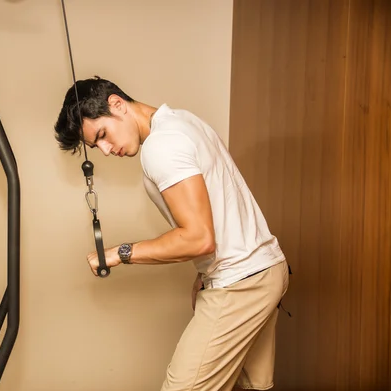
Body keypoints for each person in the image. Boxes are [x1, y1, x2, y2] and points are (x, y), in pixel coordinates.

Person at [53, 76, 290, 391]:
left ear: (117, 104)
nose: (106, 150)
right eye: (97, 146)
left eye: (103, 135)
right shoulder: (183, 121)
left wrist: (121, 253)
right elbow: (219, 209)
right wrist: (205, 273)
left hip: (240, 282)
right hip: (265, 269)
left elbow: (199, 238)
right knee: (249, 386)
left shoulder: (161, 146)